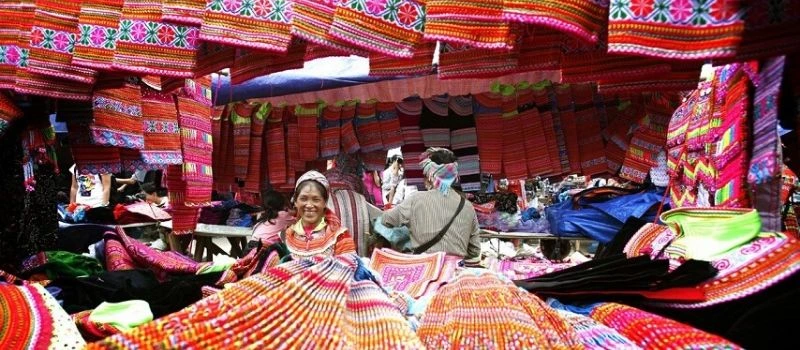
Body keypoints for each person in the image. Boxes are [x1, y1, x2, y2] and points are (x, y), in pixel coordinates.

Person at [382, 147, 481, 264]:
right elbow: (475, 251)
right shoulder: (467, 206)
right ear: (454, 177)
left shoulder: (416, 199)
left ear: (430, 175)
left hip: (423, 271)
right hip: (454, 272)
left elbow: (386, 220)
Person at [279, 170, 356, 260]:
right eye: (303, 199)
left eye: (316, 199)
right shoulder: (285, 236)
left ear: (325, 203)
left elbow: (349, 268)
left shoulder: (340, 236)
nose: (309, 205)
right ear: (295, 202)